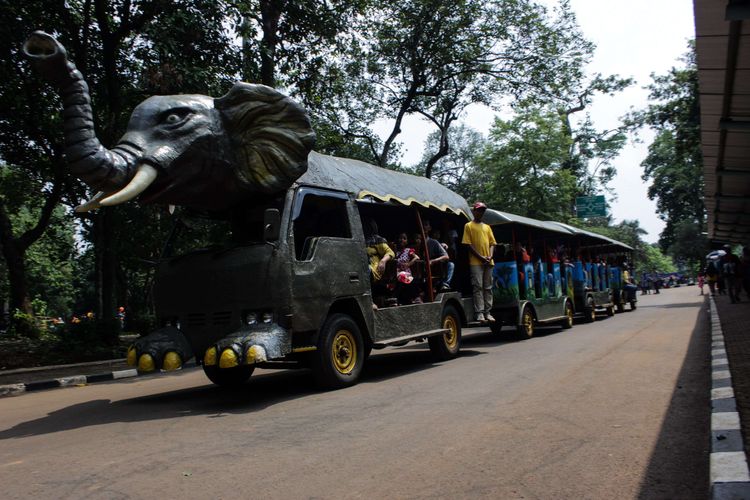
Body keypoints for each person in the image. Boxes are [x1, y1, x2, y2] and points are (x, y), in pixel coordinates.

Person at [462, 201, 496, 323]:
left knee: (488, 287)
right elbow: (468, 244)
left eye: (482, 210)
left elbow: (493, 243)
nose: (480, 212)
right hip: (476, 261)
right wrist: (481, 257)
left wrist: (490, 256)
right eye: (478, 210)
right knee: (478, 287)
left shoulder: (487, 227)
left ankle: (488, 312)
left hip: (488, 262)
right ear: (474, 211)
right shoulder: (468, 225)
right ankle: (480, 313)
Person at [364, 219, 395, 300]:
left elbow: (390, 253)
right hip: (361, 265)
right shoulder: (360, 240)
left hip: (374, 268)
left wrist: (383, 261)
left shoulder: (377, 239)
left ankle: (369, 300)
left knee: (362, 271)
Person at [423, 220, 454, 291]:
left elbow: (446, 256)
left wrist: (432, 261)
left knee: (450, 264)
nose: (423, 227)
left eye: (425, 224)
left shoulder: (433, 242)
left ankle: (444, 284)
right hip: (418, 269)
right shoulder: (414, 241)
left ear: (429, 228)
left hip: (432, 268)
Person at [394, 232, 422, 304]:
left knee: (404, 277)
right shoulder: (395, 251)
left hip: (406, 272)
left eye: (404, 238)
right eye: (400, 238)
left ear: (407, 241)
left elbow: (417, 257)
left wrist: (408, 264)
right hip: (396, 272)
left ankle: (416, 297)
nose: (402, 240)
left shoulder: (408, 250)